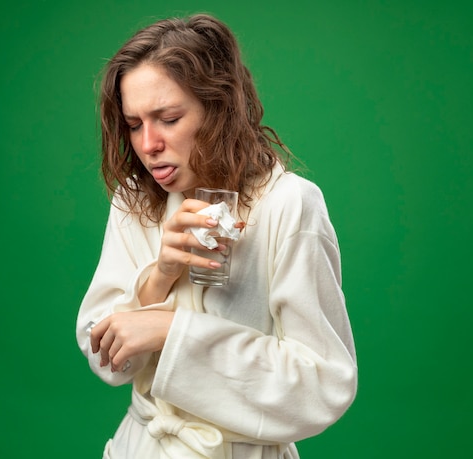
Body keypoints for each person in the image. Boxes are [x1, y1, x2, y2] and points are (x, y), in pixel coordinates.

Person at [76, 13, 357, 459]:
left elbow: (323, 385)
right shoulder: (134, 199)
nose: (148, 144)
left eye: (168, 118)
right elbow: (103, 356)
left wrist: (174, 332)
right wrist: (160, 276)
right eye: (133, 124)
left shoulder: (289, 204)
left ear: (219, 107)